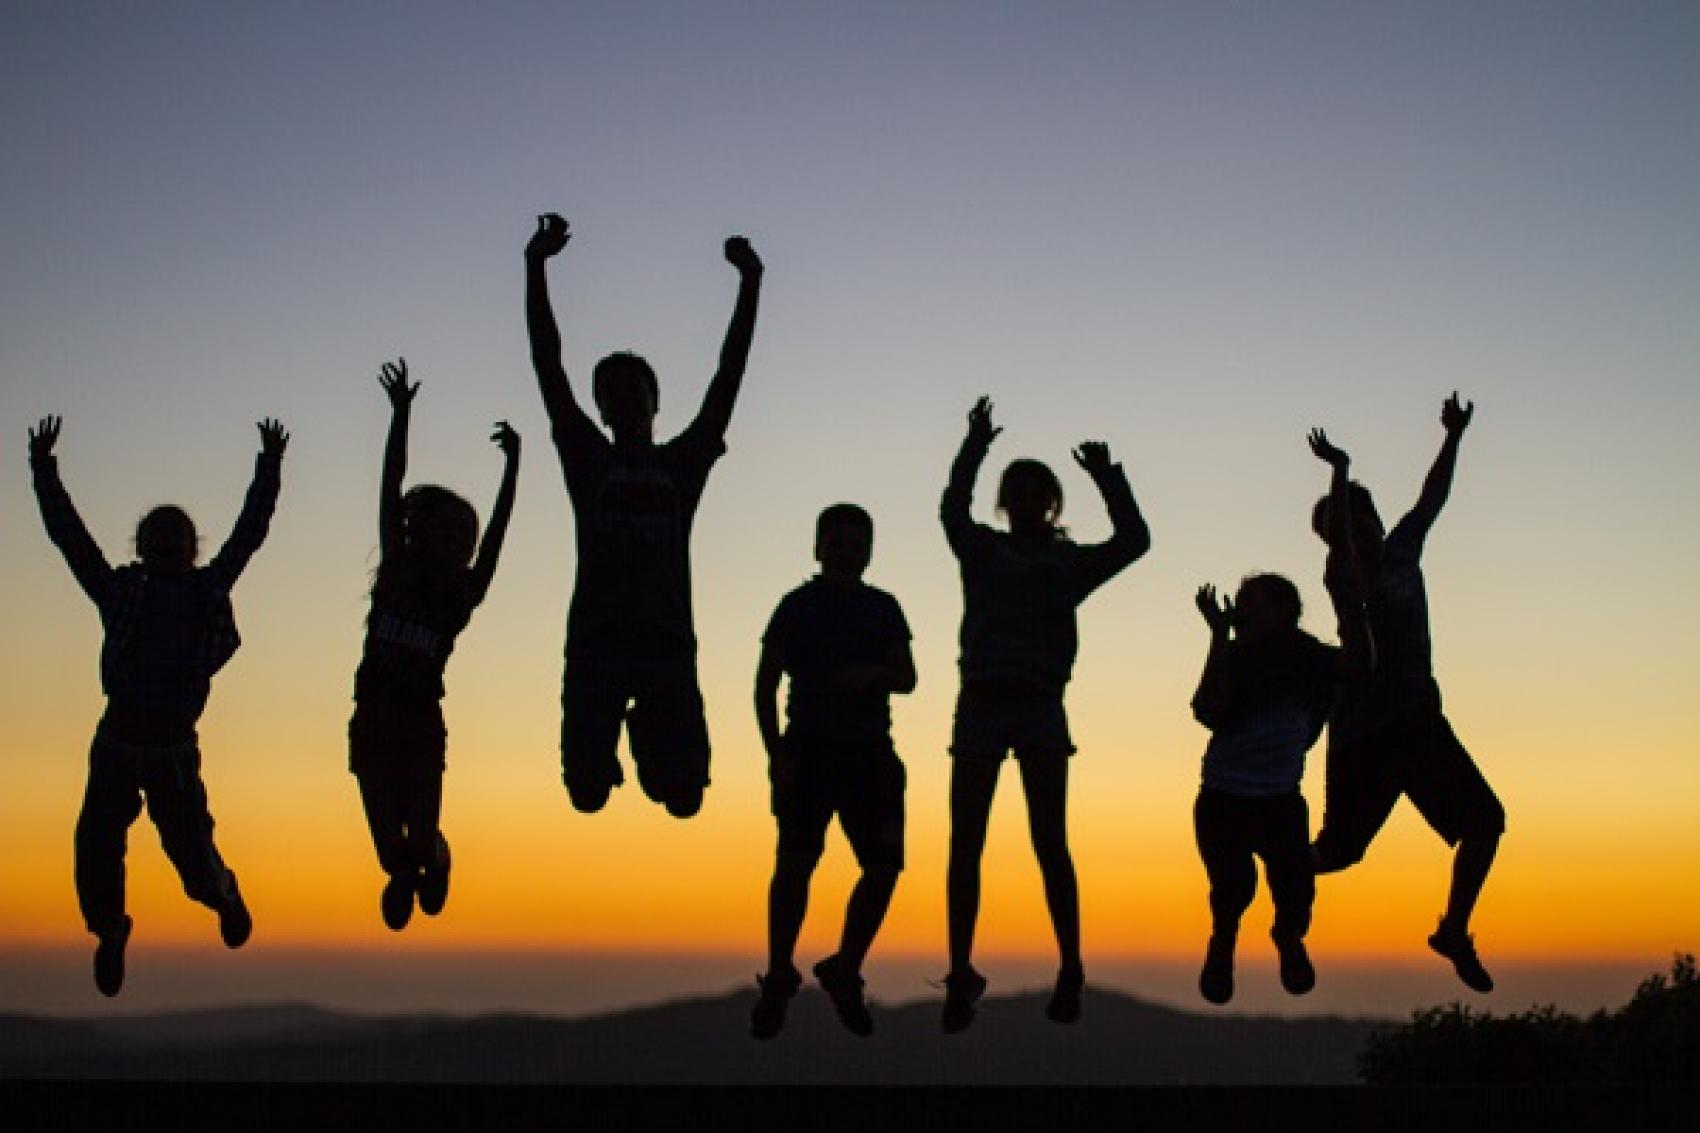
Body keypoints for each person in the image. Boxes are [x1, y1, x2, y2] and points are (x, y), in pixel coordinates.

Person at [29, 413, 286, 996]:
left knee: (192, 853)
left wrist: (268, 468)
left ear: (193, 551)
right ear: (142, 549)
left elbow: (249, 533)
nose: (168, 546)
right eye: (157, 538)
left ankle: (222, 895)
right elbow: (72, 540)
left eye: (178, 539)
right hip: (118, 743)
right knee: (96, 845)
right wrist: (44, 471)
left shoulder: (207, 593)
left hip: (171, 749)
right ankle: (111, 931)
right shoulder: (120, 591)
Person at [523, 213, 763, 818]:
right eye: (610, 392)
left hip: (665, 647)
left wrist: (750, 283)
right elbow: (548, 366)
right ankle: (615, 738)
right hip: (597, 645)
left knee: (683, 799)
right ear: (600, 408)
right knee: (586, 796)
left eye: (635, 389)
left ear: (656, 401)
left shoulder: (684, 464)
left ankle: (651, 737)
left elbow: (728, 375)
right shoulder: (586, 460)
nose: (623, 399)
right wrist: (535, 267)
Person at [939, 397, 1150, 1031]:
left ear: (1051, 503)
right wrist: (973, 446)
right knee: (966, 844)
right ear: (1006, 502)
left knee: (1049, 842)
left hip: (1037, 707)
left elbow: (1135, 540)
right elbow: (952, 507)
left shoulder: (1068, 562)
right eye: (1019, 492)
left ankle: (1070, 967)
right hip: (981, 702)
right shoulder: (980, 549)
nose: (1028, 501)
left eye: (1038, 492)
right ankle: (960, 972)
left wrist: (1110, 478)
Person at [1310, 393, 1505, 993]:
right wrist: (1340, 472)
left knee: (1486, 822)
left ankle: (1454, 930)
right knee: (1338, 854)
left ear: (1375, 516)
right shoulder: (1341, 573)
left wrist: (1453, 437)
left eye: (1358, 517)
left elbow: (1432, 498)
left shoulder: (1402, 552)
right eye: (1337, 527)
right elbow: (1344, 538)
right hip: (1363, 737)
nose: (1351, 531)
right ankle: (1267, 854)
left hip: (1417, 722)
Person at [1187, 429, 1372, 1005]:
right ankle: (1223, 942)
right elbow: (1206, 711)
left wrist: (1354, 609)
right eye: (1239, 606)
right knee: (1233, 886)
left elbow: (1360, 667)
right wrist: (1217, 639)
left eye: (1250, 604)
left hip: (1277, 800)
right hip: (1223, 798)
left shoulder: (1311, 659)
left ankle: (1287, 940)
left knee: (1294, 890)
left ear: (1283, 611)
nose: (1241, 611)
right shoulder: (1236, 656)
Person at [350, 358, 519, 931]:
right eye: (446, 530)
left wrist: (513, 470)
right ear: (418, 531)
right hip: (371, 721)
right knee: (390, 851)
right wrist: (401, 414)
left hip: (421, 725)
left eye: (463, 537)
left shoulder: (461, 596)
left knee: (421, 841)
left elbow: (496, 543)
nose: (458, 543)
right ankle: (401, 876)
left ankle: (435, 862)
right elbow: (389, 485)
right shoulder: (396, 567)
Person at [749, 504, 916, 1039]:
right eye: (836, 545)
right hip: (811, 754)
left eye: (856, 546)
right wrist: (776, 752)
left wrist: (871, 672)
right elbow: (764, 684)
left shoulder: (883, 608)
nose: (846, 554)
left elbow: (907, 676)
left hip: (870, 756)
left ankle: (845, 969)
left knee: (884, 867)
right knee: (796, 864)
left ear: (869, 553)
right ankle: (778, 975)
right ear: (818, 549)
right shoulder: (796, 607)